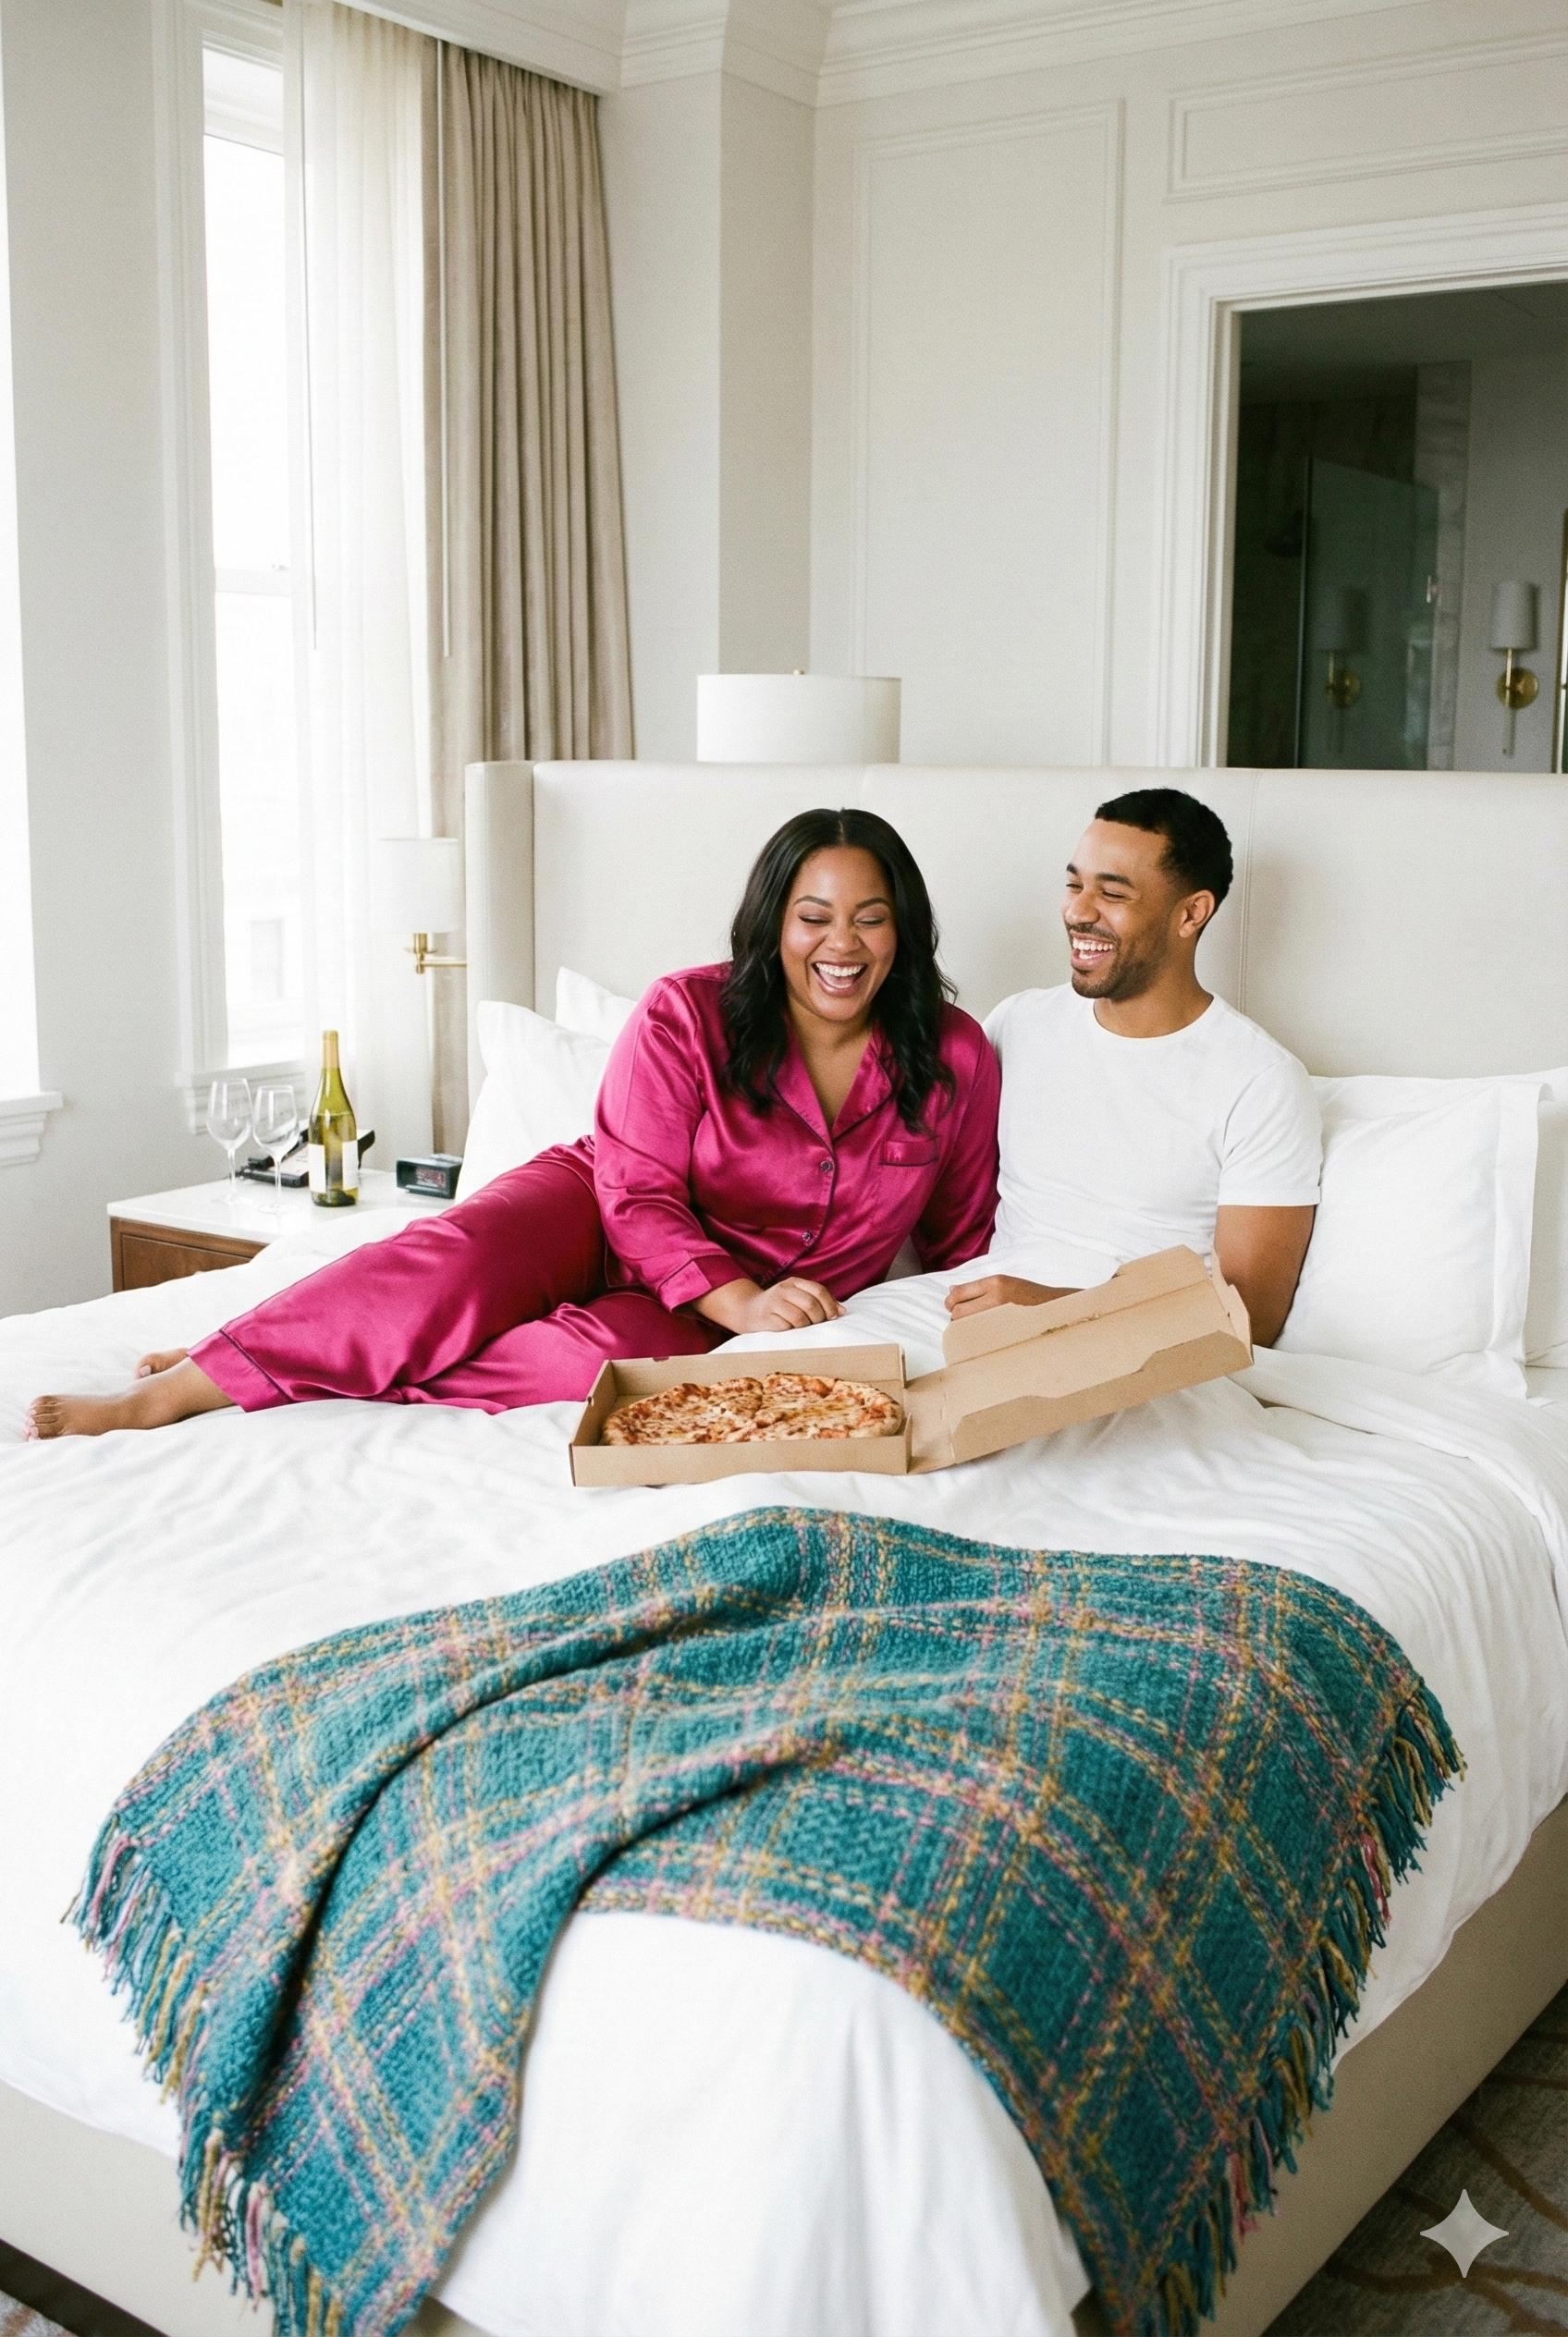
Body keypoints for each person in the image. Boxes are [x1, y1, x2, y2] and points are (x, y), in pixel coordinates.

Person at [28, 810, 1000, 1438]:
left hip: (703, 1301)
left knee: (582, 1366)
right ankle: (175, 1389)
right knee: (446, 1268)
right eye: (813, 915)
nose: (842, 943)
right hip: (601, 1203)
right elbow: (636, 1188)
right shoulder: (687, 1011)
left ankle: (289, 1368)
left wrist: (998, 1310)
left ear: (903, 929)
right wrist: (741, 1298)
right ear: (772, 923)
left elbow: (959, 1240)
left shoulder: (954, 1056)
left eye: (871, 917)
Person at [947, 788, 1319, 1349]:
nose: (1078, 911)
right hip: (976, 1328)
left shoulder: (1261, 1081)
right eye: (1074, 885)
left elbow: (1247, 1321)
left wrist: (1055, 1310)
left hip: (1139, 1360)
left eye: (1112, 893)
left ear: (1191, 913)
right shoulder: (1018, 1024)